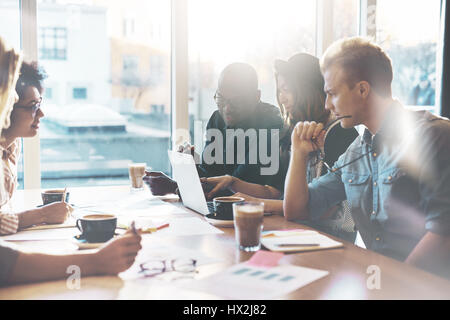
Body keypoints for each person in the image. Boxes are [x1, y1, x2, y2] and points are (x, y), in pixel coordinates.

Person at [284, 37, 450, 278]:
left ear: (363, 89)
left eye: (332, 93)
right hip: (378, 280)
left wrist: (390, 284)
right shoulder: (357, 151)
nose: (328, 104)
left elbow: (443, 233)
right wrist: (298, 154)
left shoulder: (435, 137)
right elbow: (299, 210)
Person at [0, 38, 141, 286]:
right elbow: (4, 264)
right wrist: (96, 262)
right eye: (10, 96)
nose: (9, 102)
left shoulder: (10, 146)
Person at [201, 54, 358, 242]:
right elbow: (275, 192)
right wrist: (232, 182)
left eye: (287, 90)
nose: (281, 99)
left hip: (331, 240)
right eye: (279, 91)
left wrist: (259, 204)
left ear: (309, 90)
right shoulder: (296, 133)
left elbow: (323, 208)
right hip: (295, 232)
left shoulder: (338, 134)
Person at [145, 63, 283, 199]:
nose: (227, 108)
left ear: (256, 97)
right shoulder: (218, 119)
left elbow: (231, 188)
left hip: (255, 214)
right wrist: (193, 167)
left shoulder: (270, 124)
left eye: (237, 101)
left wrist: (174, 187)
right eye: (221, 99)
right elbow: (211, 176)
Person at [0, 61, 71, 235]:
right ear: (6, 108)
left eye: (39, 104)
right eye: (33, 106)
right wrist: (42, 214)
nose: (41, 113)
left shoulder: (11, 145)